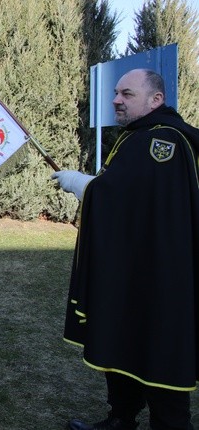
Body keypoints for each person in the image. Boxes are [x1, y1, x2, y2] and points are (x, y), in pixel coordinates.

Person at [52, 68, 199, 430]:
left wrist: (85, 185)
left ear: (156, 100)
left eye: (127, 94)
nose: (116, 99)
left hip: (163, 275)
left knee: (158, 349)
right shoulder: (140, 136)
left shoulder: (163, 141)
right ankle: (121, 417)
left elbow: (128, 197)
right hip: (134, 268)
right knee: (123, 338)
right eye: (117, 93)